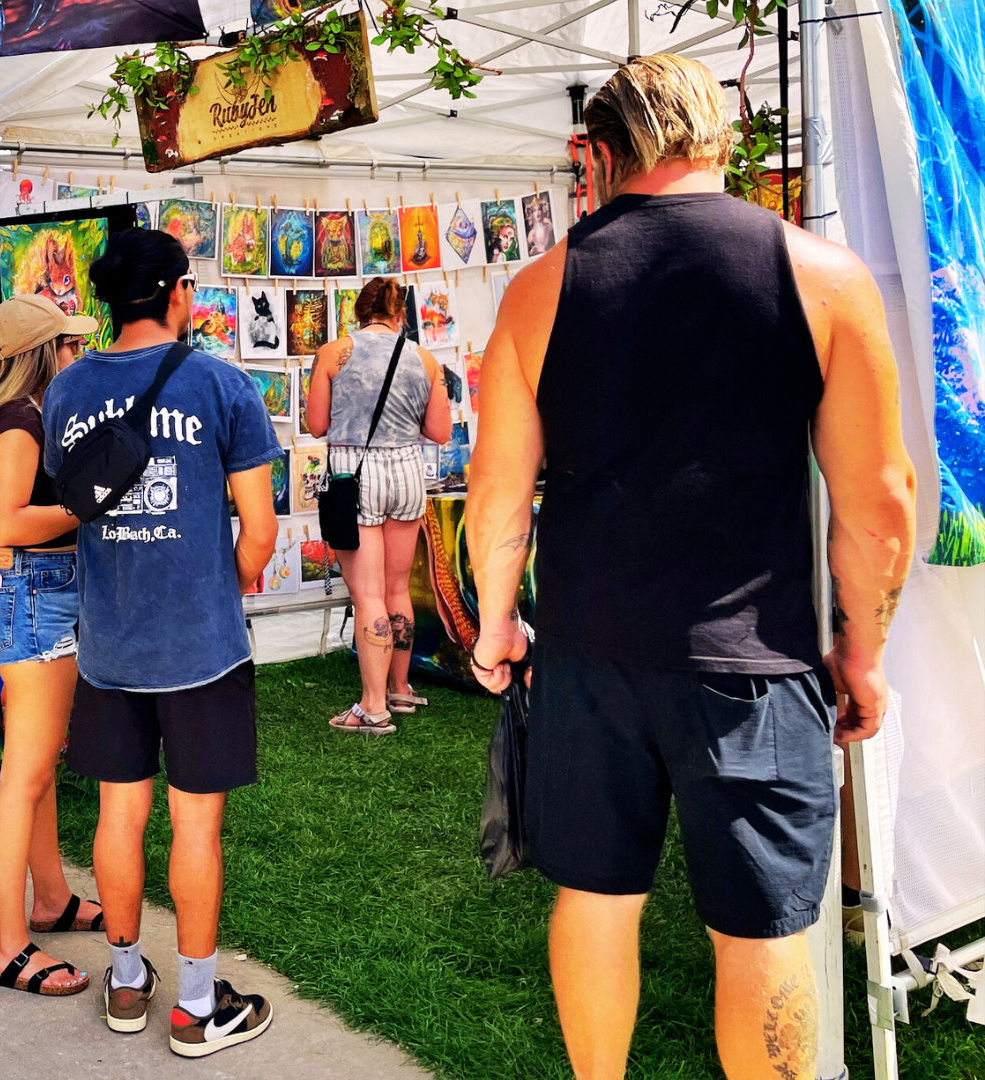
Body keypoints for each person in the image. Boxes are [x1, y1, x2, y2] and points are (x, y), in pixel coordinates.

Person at [466, 55, 915, 1080]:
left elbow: (497, 495)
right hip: (755, 664)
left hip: (587, 656)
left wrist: (497, 620)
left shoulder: (540, 287)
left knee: (596, 896)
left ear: (603, 154)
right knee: (759, 931)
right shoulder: (824, 276)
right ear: (721, 140)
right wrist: (865, 650)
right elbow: (878, 497)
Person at [40, 228, 281, 1058]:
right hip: (202, 648)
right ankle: (192, 1005)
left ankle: (127, 979)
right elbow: (259, 535)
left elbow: (72, 514)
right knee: (196, 828)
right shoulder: (221, 384)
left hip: (107, 643)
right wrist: (216, 590)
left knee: (119, 814)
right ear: (178, 291)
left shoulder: (67, 392)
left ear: (109, 299)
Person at [0, 295, 102, 997]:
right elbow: (10, 522)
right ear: (44, 355)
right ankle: (9, 946)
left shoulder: (26, 416)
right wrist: (88, 505)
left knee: (33, 764)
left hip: (34, 594)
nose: (77, 355)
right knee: (26, 776)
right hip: (34, 594)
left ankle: (50, 898)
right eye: (68, 346)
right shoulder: (20, 419)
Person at [304, 278, 452, 734]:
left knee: (367, 594)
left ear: (359, 312)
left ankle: (373, 707)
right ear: (401, 314)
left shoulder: (334, 353)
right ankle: (400, 689)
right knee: (396, 588)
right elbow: (441, 432)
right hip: (408, 473)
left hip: (356, 473)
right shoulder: (425, 360)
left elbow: (316, 425)